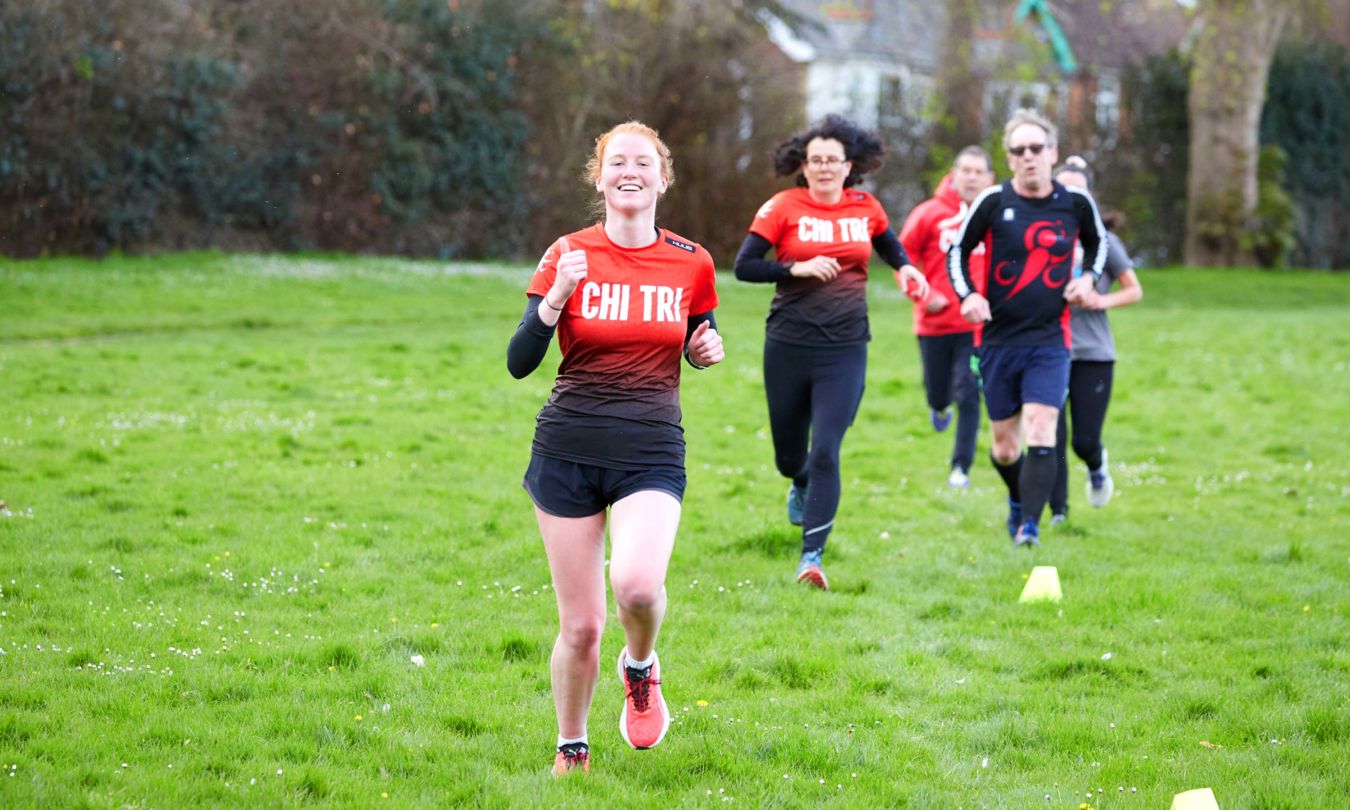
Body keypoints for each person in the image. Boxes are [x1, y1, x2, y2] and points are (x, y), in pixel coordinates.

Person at [506, 121, 724, 774]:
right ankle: (571, 745)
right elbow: (520, 361)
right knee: (581, 627)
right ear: (599, 179)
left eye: (643, 162)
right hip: (567, 449)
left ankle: (641, 666)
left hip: (651, 449)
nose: (629, 170)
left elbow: (698, 334)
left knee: (635, 587)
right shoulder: (567, 253)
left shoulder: (692, 260)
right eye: (616, 161)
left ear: (663, 177)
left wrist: (703, 347)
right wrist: (558, 299)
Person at [734, 114, 928, 589]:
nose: (823, 167)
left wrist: (907, 271)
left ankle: (811, 558)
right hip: (788, 345)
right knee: (789, 458)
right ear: (804, 165)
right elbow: (744, 267)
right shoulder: (782, 207)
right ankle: (796, 481)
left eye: (832, 160)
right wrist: (795, 267)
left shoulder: (866, 207)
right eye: (815, 159)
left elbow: (891, 248)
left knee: (826, 451)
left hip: (844, 348)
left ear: (849, 166)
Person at [947, 109, 1104, 548]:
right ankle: (1018, 501)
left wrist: (1088, 278)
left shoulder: (1075, 203)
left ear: (1052, 153)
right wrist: (970, 296)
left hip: (1050, 339)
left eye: (1037, 148)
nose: (1029, 156)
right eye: (1019, 150)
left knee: (1041, 428)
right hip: (998, 340)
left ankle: (1029, 528)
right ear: (1010, 157)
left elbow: (1099, 243)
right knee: (1004, 448)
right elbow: (957, 252)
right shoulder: (994, 202)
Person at [1047, 156, 1144, 524]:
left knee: (1083, 440)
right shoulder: (1038, 235)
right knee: (1048, 436)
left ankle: (1096, 465)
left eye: (1079, 189)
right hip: (1047, 348)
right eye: (1064, 187)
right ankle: (1058, 511)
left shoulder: (1104, 240)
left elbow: (1134, 291)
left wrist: (1098, 299)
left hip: (1092, 351)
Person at [899, 146, 996, 488]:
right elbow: (903, 259)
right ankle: (939, 407)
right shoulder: (928, 214)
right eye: (965, 170)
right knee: (938, 392)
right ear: (954, 174)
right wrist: (923, 294)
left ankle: (961, 468)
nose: (971, 177)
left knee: (969, 392)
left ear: (990, 178)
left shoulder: (998, 214)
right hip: (934, 323)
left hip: (978, 326)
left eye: (978, 171)